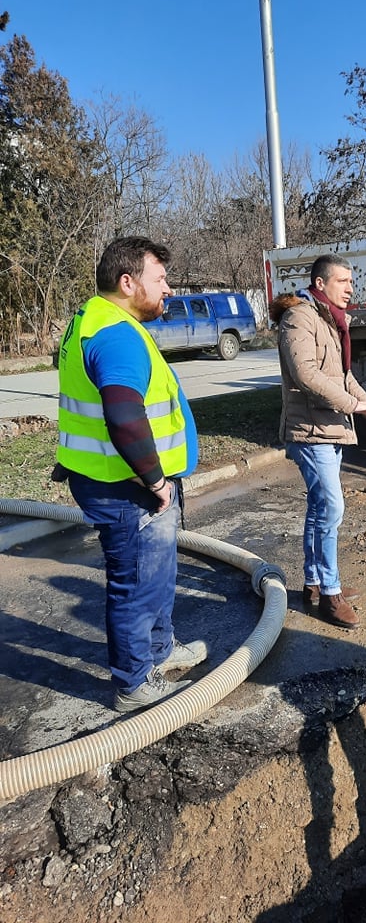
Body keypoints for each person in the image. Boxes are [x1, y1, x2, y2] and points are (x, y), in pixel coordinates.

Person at [54, 237, 208, 712]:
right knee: (138, 584)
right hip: (128, 488)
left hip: (118, 480)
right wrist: (157, 483)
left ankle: (161, 652)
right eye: (159, 279)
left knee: (156, 575)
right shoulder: (117, 334)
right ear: (128, 282)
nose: (168, 289)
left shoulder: (97, 318)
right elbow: (124, 415)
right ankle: (135, 683)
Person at [268, 254, 366, 629]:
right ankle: (330, 591)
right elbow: (306, 374)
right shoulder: (300, 318)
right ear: (321, 283)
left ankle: (313, 583)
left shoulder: (329, 320)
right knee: (331, 507)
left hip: (330, 428)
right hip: (309, 431)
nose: (350, 288)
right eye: (343, 281)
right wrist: (353, 406)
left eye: (351, 282)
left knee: (319, 508)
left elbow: (343, 376)